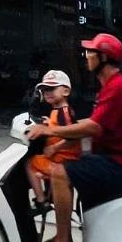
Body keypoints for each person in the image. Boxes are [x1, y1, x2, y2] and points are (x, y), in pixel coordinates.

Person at [27, 33, 122, 242]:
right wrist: (52, 130)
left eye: (91, 52)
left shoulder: (118, 87)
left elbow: (93, 127)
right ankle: (66, 240)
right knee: (72, 167)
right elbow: (91, 122)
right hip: (112, 159)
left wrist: (50, 130)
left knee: (60, 172)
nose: (86, 56)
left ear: (103, 58)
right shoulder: (110, 87)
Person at [26, 70, 76, 205]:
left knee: (30, 164)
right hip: (60, 158)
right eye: (44, 89)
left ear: (66, 91)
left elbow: (72, 136)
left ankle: (41, 200)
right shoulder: (59, 111)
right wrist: (49, 123)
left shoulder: (63, 113)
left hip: (62, 159)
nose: (47, 92)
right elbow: (59, 127)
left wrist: (54, 148)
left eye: (51, 88)